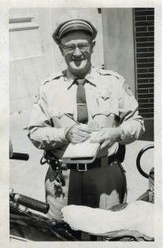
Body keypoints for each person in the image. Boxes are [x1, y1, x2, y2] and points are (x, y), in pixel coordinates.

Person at [28, 18, 145, 221]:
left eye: (82, 45)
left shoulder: (114, 82)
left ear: (92, 46)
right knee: (62, 236)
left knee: (108, 233)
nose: (77, 53)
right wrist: (64, 134)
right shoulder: (48, 88)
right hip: (62, 183)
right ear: (60, 49)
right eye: (69, 47)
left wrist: (118, 133)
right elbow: (35, 132)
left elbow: (137, 123)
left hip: (106, 179)